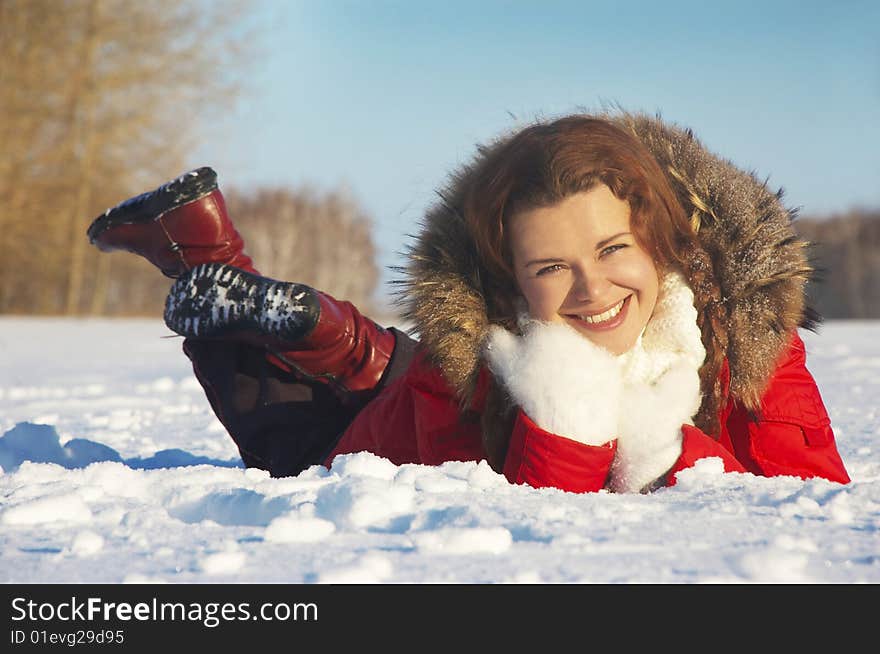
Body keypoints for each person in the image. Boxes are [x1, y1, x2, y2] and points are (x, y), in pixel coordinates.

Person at [87, 111, 851, 493]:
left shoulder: (746, 331)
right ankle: (206, 255)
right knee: (281, 427)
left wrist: (660, 444)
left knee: (392, 369)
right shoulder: (485, 354)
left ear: (662, 239)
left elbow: (810, 497)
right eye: (552, 266)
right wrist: (570, 409)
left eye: (614, 249)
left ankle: (208, 248)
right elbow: (526, 510)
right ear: (508, 279)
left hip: (405, 388)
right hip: (374, 440)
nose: (593, 290)